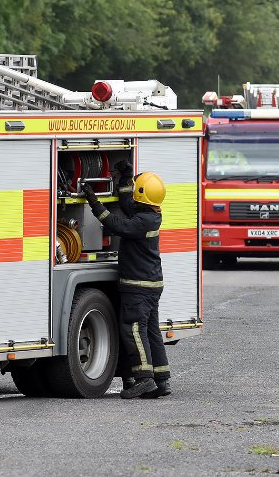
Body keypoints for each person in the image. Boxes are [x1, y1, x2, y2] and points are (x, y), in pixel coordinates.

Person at [81, 161, 171, 399]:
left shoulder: (141, 222)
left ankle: (144, 379)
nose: (132, 193)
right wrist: (125, 179)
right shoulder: (150, 215)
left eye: (135, 189)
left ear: (142, 195)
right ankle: (162, 379)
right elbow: (128, 205)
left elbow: (116, 223)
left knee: (134, 330)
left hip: (138, 286)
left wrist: (93, 202)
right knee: (152, 332)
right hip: (150, 285)